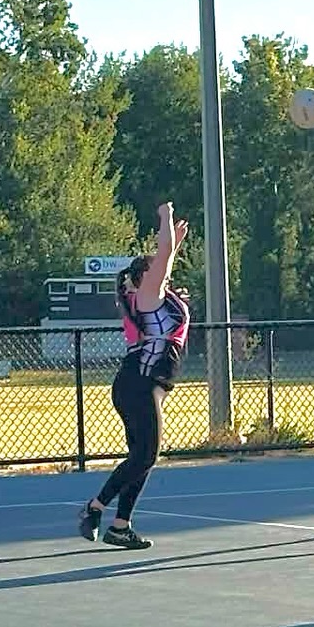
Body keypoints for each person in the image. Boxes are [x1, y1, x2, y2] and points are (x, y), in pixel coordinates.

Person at [79, 202, 190, 549]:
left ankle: (120, 526)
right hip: (140, 385)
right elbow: (163, 257)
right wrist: (165, 218)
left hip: (141, 385)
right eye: (157, 271)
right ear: (145, 277)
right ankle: (96, 508)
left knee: (142, 458)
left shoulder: (153, 295)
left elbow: (165, 260)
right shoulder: (147, 296)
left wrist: (174, 244)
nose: (165, 274)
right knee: (146, 456)